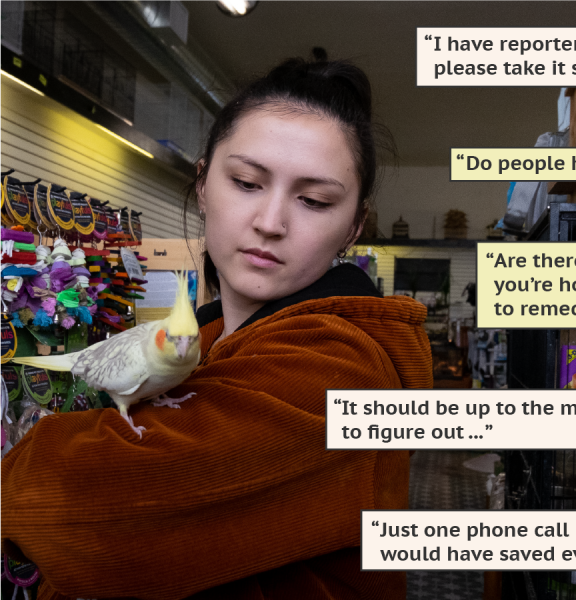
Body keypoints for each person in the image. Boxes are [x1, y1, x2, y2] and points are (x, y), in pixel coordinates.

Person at [1, 57, 432, 599]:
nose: (270, 222)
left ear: (353, 225)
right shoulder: (205, 338)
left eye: (313, 200)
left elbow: (70, 509)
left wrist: (26, 462)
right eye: (247, 182)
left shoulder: (340, 366)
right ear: (203, 184)